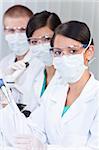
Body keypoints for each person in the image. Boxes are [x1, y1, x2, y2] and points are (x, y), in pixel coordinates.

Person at [0, 20, 99, 150]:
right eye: (58, 52)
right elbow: (29, 132)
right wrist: (5, 97)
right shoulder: (54, 93)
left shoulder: (95, 96)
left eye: (72, 51)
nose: (64, 58)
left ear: (89, 51)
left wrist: (46, 148)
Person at [0, 5, 45, 117]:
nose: (16, 36)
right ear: (4, 32)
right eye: (11, 30)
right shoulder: (5, 62)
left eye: (22, 30)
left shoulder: (43, 63)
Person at [26, 10, 61, 99]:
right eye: (34, 41)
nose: (41, 46)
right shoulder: (36, 74)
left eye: (46, 39)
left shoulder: (69, 76)